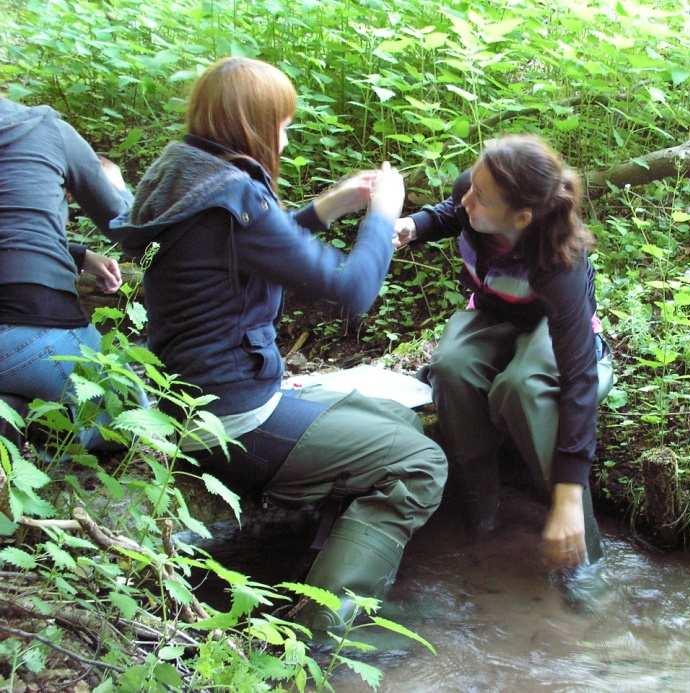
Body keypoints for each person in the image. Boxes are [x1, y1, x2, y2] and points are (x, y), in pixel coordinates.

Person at [109, 57, 446, 632]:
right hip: (229, 415)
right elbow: (352, 289)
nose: (285, 138)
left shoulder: (183, 173)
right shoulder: (236, 195)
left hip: (183, 392)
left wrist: (328, 207)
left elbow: (244, 248)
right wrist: (383, 214)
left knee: (396, 417)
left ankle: (317, 560)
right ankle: (324, 633)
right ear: (253, 125)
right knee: (421, 463)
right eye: (283, 125)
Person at [394, 134, 613, 570]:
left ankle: (582, 554)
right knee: (451, 369)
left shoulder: (558, 264)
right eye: (470, 188)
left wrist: (569, 493)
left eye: (481, 198)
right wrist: (414, 225)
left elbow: (579, 376)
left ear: (522, 217)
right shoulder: (473, 191)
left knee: (522, 386)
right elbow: (451, 214)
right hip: (494, 313)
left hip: (555, 330)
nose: (467, 200)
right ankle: (483, 512)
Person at [0, 97, 130, 442]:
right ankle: (32, 419)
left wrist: (78, 254)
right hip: (33, 327)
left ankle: (14, 411)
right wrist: (115, 184)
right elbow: (126, 225)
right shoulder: (45, 128)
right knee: (132, 417)